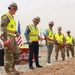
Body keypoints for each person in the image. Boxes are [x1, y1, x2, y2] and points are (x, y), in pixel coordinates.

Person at [0, 2, 20, 75]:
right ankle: (7, 71)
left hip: (12, 38)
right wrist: (5, 40)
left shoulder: (12, 17)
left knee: (17, 53)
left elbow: (11, 28)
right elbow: (2, 29)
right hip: (7, 38)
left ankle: (12, 67)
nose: (16, 11)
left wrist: (16, 32)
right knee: (8, 55)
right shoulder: (5, 17)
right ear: (11, 8)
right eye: (15, 9)